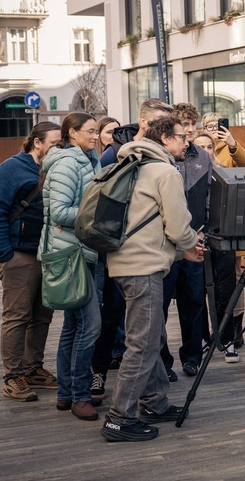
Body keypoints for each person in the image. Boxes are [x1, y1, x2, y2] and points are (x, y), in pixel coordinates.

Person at [101, 116, 204, 443]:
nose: (186, 142)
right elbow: (176, 225)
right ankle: (119, 418)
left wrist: (178, 250)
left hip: (123, 262)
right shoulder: (165, 172)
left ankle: (155, 402)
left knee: (150, 335)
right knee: (142, 343)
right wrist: (190, 244)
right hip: (143, 267)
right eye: (181, 136)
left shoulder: (132, 164)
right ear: (164, 138)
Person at [90, 99, 174, 403]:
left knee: (152, 332)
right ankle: (100, 376)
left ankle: (154, 399)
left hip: (152, 254)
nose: (167, 131)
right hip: (126, 255)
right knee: (114, 318)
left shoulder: (162, 158)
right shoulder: (116, 153)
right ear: (144, 122)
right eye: (161, 124)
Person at [0, 121, 61, 402]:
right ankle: (12, 376)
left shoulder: (57, 167)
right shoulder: (11, 169)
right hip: (19, 254)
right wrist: (6, 254)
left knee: (42, 316)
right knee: (17, 316)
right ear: (37, 142)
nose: (58, 148)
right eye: (54, 143)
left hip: (47, 254)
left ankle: (33, 369)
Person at [40, 112, 102, 421]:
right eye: (89, 131)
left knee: (73, 326)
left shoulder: (89, 160)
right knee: (90, 325)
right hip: (70, 254)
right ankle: (79, 395)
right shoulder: (67, 163)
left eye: (96, 131)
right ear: (72, 133)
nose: (95, 136)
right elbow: (60, 212)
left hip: (81, 251)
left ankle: (65, 394)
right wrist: (98, 211)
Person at [158, 102, 212, 380]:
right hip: (165, 246)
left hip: (195, 241)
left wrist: (202, 232)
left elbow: (209, 197)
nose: (190, 130)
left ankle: (192, 356)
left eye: (193, 124)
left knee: (193, 302)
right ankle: (163, 363)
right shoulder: (161, 157)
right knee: (161, 305)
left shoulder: (203, 156)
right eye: (185, 125)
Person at [198, 116, 245, 363]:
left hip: (224, 236)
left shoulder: (224, 164)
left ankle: (229, 336)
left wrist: (231, 143)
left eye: (210, 145)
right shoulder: (185, 169)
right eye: (208, 127)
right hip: (197, 236)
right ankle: (201, 339)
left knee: (227, 287)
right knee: (198, 289)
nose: (207, 149)